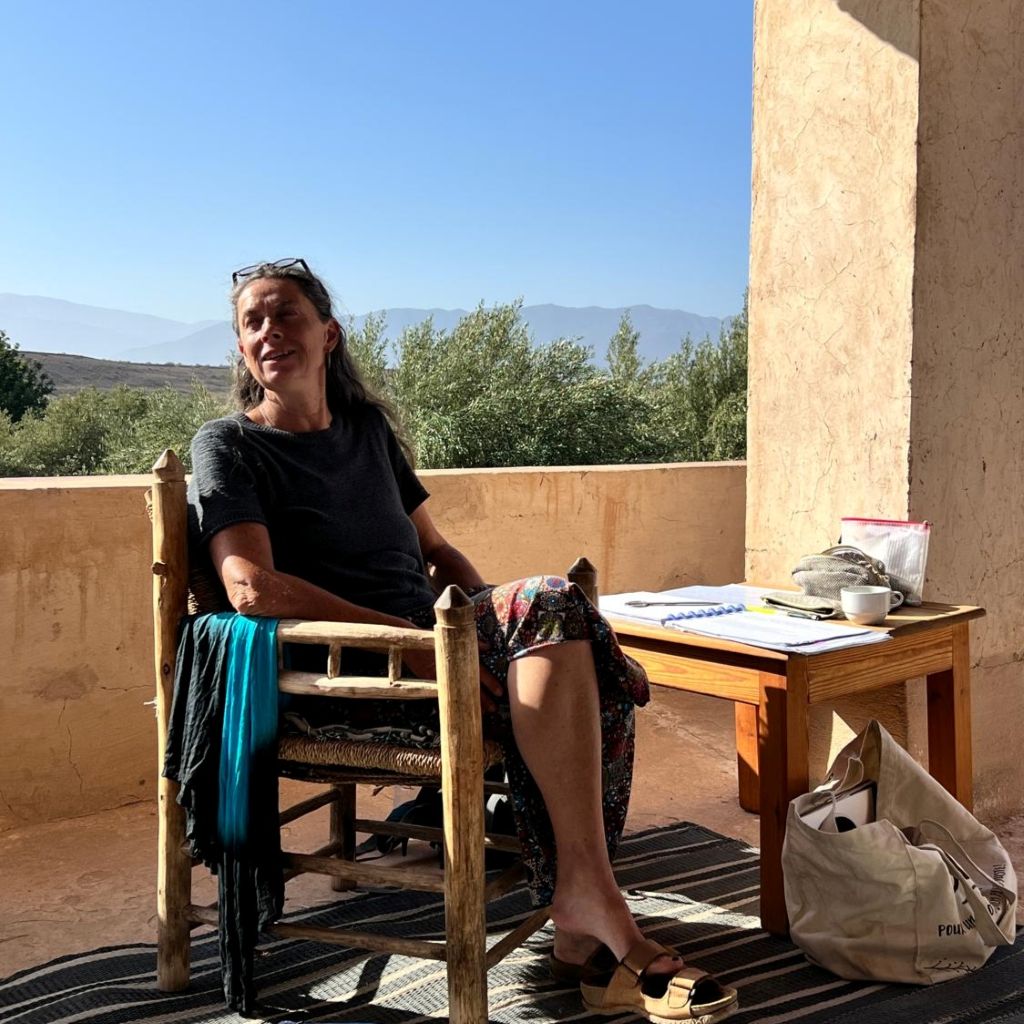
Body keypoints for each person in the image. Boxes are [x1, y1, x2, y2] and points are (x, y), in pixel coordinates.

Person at [187, 258, 738, 1022]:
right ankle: (588, 905)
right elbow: (251, 588)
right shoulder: (228, 445)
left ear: (329, 334)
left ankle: (582, 911)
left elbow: (437, 551)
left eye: (286, 315)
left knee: (560, 632)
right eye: (253, 322)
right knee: (564, 628)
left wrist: (485, 624)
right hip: (345, 675)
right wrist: (417, 646)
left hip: (433, 646)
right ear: (242, 349)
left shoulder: (367, 433)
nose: (269, 332)